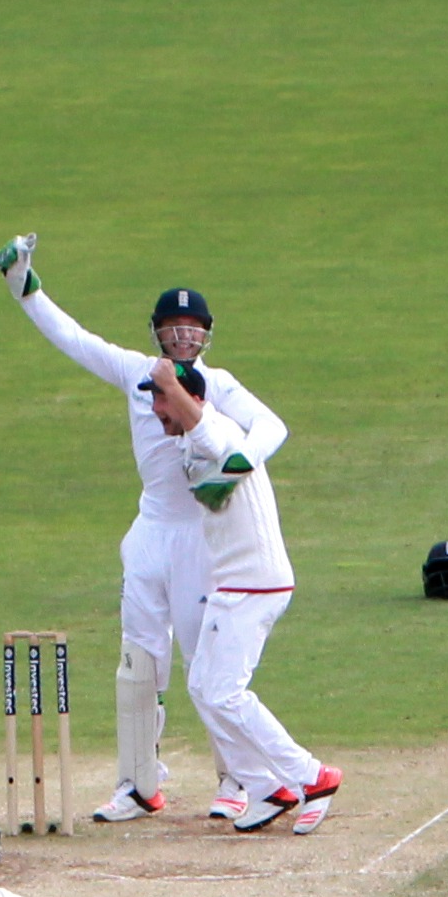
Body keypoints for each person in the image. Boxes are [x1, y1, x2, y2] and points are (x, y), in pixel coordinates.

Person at [0, 236, 212, 823]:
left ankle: (238, 781)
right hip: (149, 532)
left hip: (201, 538)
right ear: (157, 333)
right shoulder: (134, 372)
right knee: (139, 662)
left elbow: (267, 430)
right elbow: (73, 337)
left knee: (207, 661)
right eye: (173, 327)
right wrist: (25, 285)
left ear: (206, 336)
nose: (183, 336)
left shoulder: (221, 387)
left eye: (193, 328)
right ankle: (139, 785)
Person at [151, 349, 342, 833]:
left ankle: (312, 777)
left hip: (258, 582)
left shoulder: (220, 434)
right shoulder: (191, 444)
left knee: (226, 692)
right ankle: (266, 788)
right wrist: (169, 389)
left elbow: (204, 424)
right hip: (230, 582)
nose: (156, 410)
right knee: (202, 688)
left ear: (191, 399)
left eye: (163, 401)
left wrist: (169, 380)